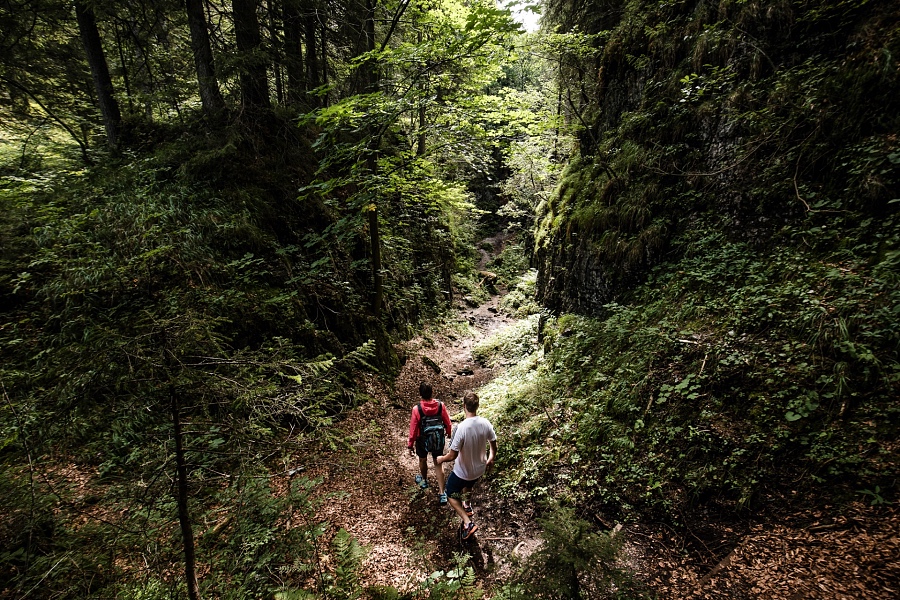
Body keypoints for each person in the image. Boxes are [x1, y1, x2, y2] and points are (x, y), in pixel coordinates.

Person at [436, 391, 497, 540]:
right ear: (477, 406)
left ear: (464, 406)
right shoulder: (485, 423)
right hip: (479, 469)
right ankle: (468, 505)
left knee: (450, 493)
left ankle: (467, 522)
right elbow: (493, 444)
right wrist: (491, 458)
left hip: (463, 471)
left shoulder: (462, 428)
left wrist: (441, 459)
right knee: (468, 485)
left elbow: (453, 455)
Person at [407, 382, 452, 504]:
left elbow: (413, 428)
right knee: (438, 463)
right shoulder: (440, 406)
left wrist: (410, 445)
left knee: (422, 460)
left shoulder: (417, 409)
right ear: (432, 392)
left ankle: (424, 481)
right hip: (438, 438)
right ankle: (442, 493)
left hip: (422, 440)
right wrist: (448, 432)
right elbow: (447, 422)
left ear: (420, 394)